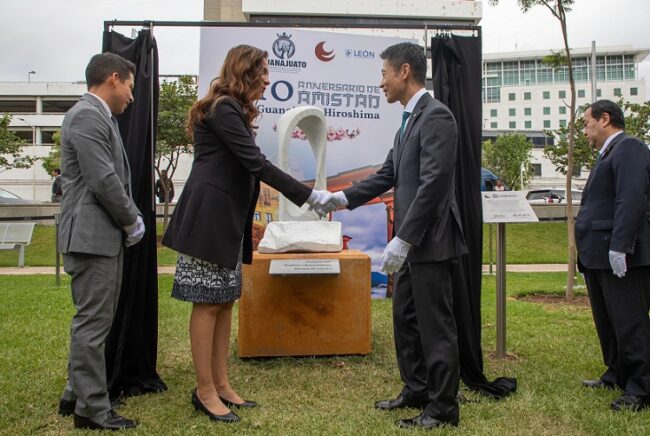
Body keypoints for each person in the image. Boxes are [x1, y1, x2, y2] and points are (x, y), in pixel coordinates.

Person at [162, 44, 331, 424]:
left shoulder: (230, 109)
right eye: (263, 72)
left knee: (223, 301)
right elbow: (254, 163)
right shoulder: (224, 108)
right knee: (206, 303)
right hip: (208, 219)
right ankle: (204, 391)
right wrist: (310, 196)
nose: (269, 80)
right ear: (245, 71)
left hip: (225, 220)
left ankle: (221, 384)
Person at [322, 42, 467, 429]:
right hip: (411, 240)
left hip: (430, 241)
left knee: (435, 324)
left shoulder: (437, 117)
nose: (380, 82)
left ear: (404, 71)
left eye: (383, 74)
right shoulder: (407, 121)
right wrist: (339, 198)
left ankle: (442, 407)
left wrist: (403, 237)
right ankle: (417, 388)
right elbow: (388, 175)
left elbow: (434, 183)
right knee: (406, 319)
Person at [56, 53, 145, 430]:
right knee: (92, 325)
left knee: (94, 321)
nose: (131, 96)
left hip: (96, 236)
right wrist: (132, 219)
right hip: (92, 236)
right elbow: (103, 179)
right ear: (113, 78)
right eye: (129, 86)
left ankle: (75, 393)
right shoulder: (88, 115)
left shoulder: (94, 116)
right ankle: (92, 409)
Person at [576, 99, 650, 412]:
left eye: (586, 123)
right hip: (597, 256)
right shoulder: (607, 154)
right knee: (608, 321)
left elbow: (630, 198)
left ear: (605, 119)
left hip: (621, 255)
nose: (584, 131)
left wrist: (621, 245)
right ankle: (617, 372)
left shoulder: (629, 148)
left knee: (629, 321)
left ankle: (641, 387)